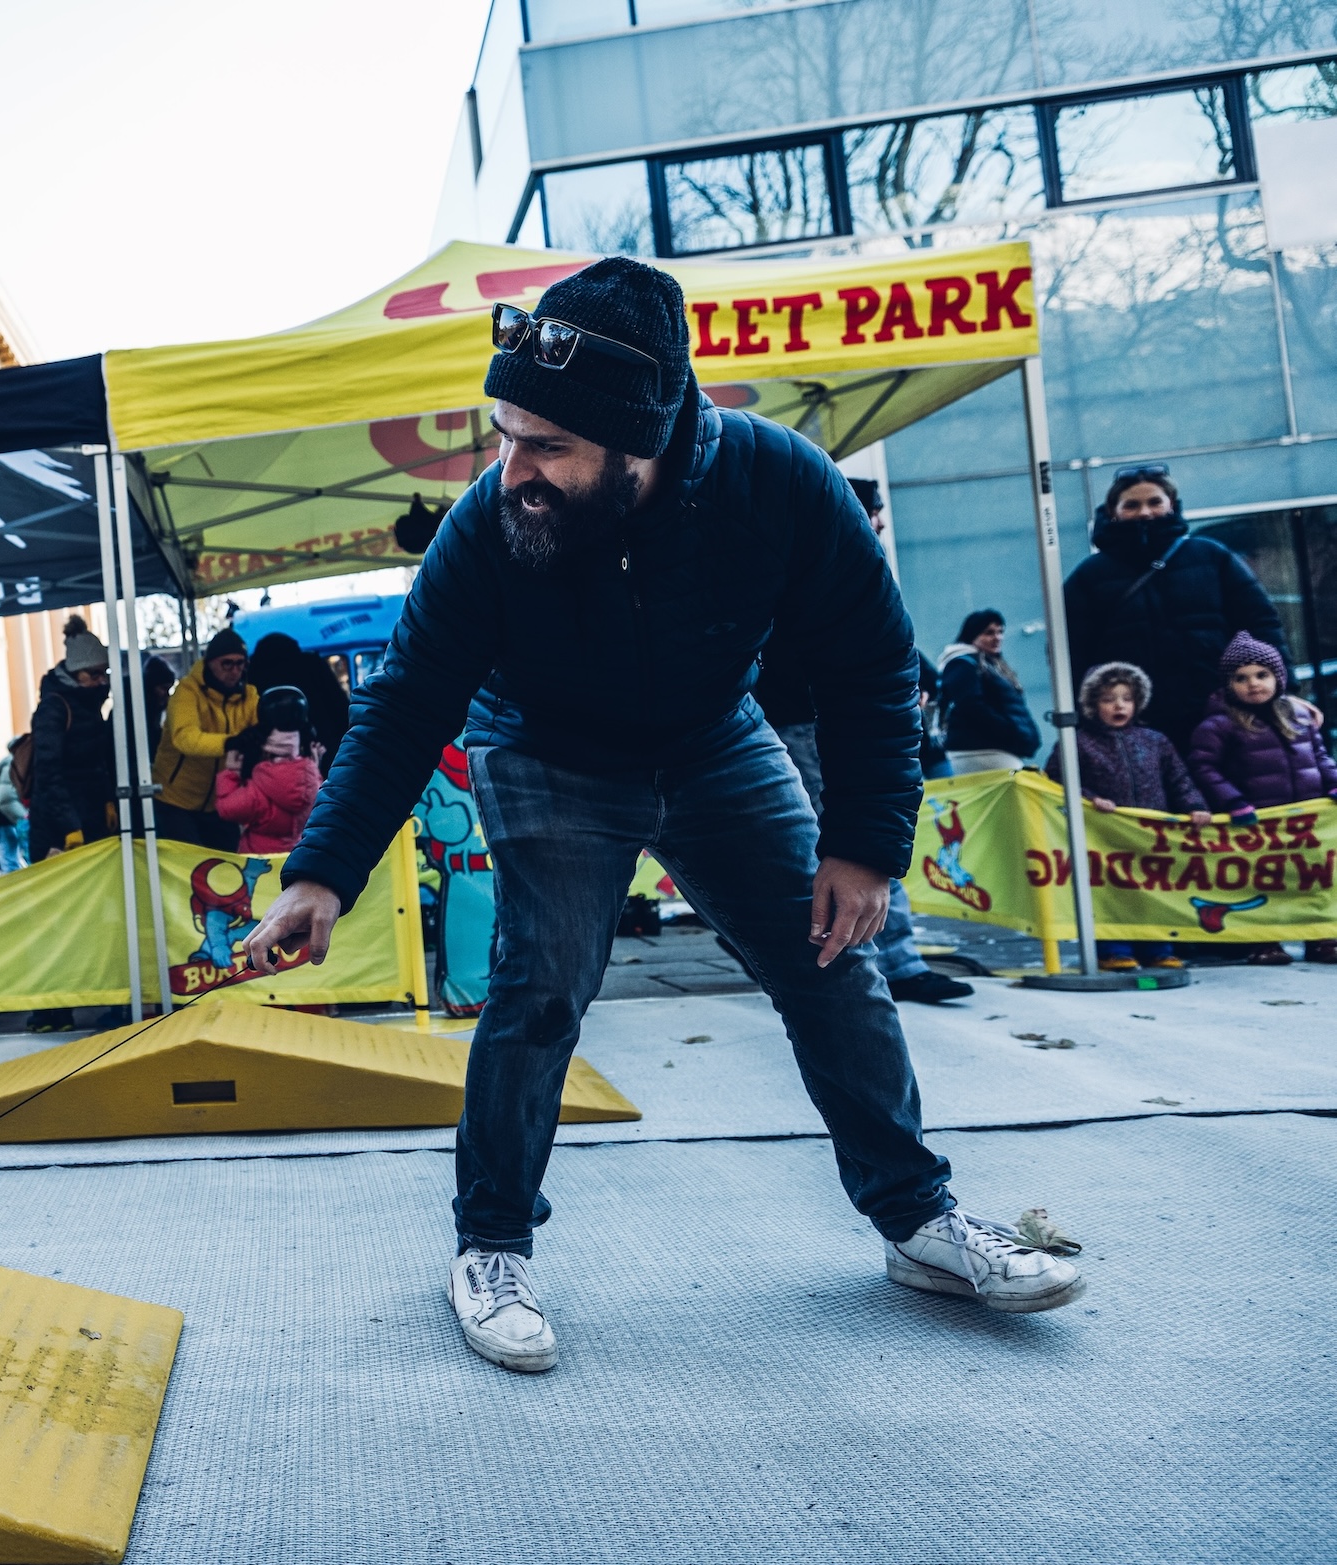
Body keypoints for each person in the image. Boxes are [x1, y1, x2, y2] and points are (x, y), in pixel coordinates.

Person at [241, 256, 1081, 1375]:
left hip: (711, 736)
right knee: (539, 986)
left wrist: (864, 846)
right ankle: (491, 1246)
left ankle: (917, 1223)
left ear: (636, 442)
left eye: (544, 447)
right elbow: (406, 701)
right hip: (541, 744)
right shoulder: (485, 525)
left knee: (833, 962)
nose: (509, 470)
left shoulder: (781, 483)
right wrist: (323, 870)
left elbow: (870, 666)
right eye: (503, 435)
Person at [753, 484, 969, 1005]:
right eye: (873, 516)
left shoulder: (805, 557)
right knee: (852, 842)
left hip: (806, 716)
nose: (880, 527)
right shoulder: (823, 565)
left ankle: (865, 958)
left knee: (840, 841)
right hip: (815, 719)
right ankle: (890, 961)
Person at [1065, 464, 1287, 749]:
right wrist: (1088, 720)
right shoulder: (1089, 576)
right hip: (1139, 726)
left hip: (1223, 713)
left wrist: (1283, 691)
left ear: (1172, 505)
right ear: (1113, 512)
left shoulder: (1211, 555)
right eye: (1132, 504)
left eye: (1155, 502)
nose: (1145, 512)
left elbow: (1261, 626)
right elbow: (1074, 657)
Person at [1185, 632, 1337, 966]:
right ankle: (1264, 940)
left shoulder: (1299, 717)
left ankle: (1321, 937)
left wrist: (1332, 784)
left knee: (1313, 879)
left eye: (1262, 675)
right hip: (1258, 820)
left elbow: (1320, 756)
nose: (1253, 684)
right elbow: (1203, 766)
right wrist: (1233, 801)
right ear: (1228, 685)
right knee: (1264, 881)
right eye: (1241, 678)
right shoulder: (1218, 725)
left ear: (1278, 678)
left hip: (1306, 820)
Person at [1048, 662, 1210, 970]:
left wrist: (1195, 806)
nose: (1119, 705)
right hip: (1104, 836)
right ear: (1093, 705)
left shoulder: (1155, 740)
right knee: (1110, 892)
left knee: (1154, 890)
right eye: (1109, 699)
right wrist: (1092, 798)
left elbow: (1179, 779)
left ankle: (1159, 948)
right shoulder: (1078, 742)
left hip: (1150, 836)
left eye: (1126, 698)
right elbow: (1057, 779)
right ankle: (1113, 949)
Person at [153, 628, 259, 850]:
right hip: (176, 800)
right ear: (209, 662)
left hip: (219, 801)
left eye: (240, 664)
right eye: (227, 663)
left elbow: (263, 730)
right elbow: (185, 738)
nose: (234, 671)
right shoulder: (187, 691)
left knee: (228, 867)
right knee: (188, 867)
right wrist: (231, 742)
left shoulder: (249, 696)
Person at [27, 615, 116, 862]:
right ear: (76, 672)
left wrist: (108, 799)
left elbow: (99, 763)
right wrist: (69, 825)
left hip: (90, 815)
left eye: (104, 672)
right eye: (94, 673)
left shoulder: (90, 705)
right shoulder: (53, 708)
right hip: (56, 827)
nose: (102, 680)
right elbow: (48, 772)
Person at [214, 686, 324, 854]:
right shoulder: (314, 781)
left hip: (260, 865)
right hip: (300, 856)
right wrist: (315, 766)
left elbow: (225, 808)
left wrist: (230, 772)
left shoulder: (256, 794)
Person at [936, 611, 1039, 775]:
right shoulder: (964, 663)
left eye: (1000, 631)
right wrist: (1011, 733)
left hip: (990, 749)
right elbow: (970, 705)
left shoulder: (989, 664)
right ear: (973, 635)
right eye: (989, 632)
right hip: (979, 750)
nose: (997, 637)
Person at [247, 632, 351, 766]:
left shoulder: (254, 671)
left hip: (272, 755)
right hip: (321, 749)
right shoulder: (312, 664)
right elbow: (339, 707)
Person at [0, 735, 30, 873]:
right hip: (1, 822)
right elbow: (6, 799)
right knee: (10, 865)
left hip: (0, 822)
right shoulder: (12, 763)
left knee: (11, 862)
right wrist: (25, 818)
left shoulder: (10, 761)